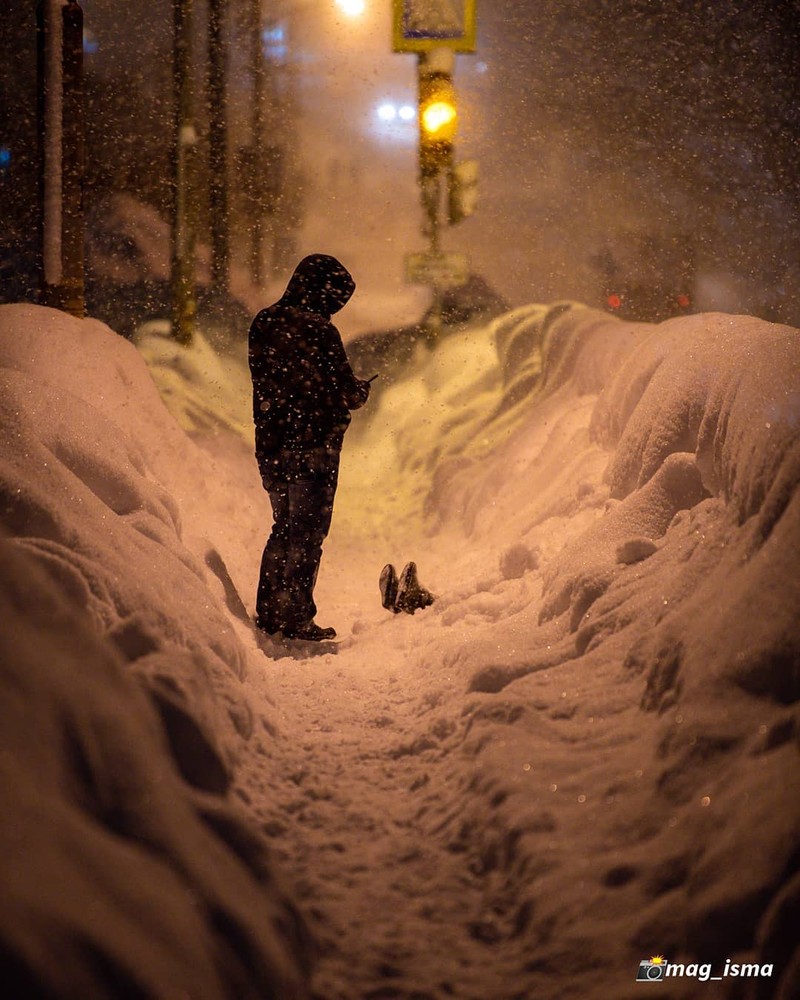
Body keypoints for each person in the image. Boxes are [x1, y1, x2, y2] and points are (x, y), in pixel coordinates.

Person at [249, 254, 371, 641]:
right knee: (308, 532)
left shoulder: (264, 323)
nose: (334, 310)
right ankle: (297, 616)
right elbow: (343, 390)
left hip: (271, 441)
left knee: (283, 526)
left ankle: (270, 613)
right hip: (313, 442)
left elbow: (272, 381)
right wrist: (359, 391)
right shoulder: (321, 332)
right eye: (334, 300)